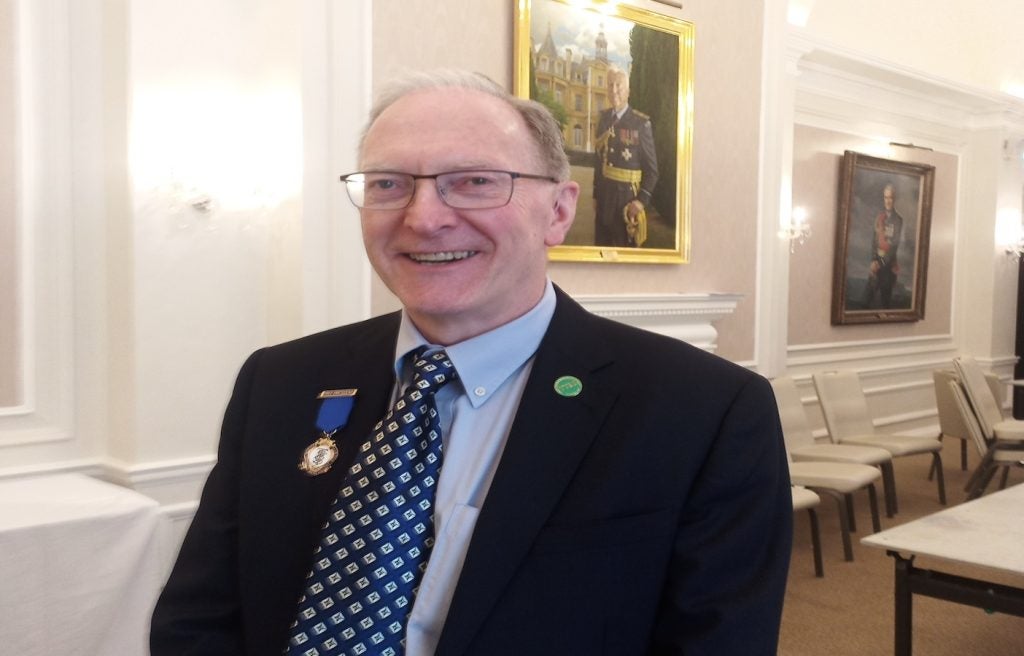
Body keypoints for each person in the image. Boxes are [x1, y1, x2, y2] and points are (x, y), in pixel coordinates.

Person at [150, 68, 792, 656]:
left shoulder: (703, 411)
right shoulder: (279, 380)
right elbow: (200, 617)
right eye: (388, 184)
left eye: (476, 182)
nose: (424, 218)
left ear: (559, 211)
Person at [593, 67, 659, 248]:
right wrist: (596, 195)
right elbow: (598, 161)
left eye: (619, 85)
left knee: (624, 251)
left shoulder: (641, 124)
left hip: (627, 201)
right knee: (600, 249)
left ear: (628, 91)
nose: (614, 90)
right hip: (604, 198)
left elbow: (652, 171)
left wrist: (641, 201)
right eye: (610, 85)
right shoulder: (603, 119)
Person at [861, 183, 904, 309]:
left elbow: (893, 247)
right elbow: (874, 242)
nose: (888, 201)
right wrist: (873, 261)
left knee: (885, 305)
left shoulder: (898, 220)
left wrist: (880, 263)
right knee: (865, 302)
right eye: (886, 197)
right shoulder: (879, 217)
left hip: (888, 267)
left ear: (894, 199)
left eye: (890, 198)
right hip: (876, 266)